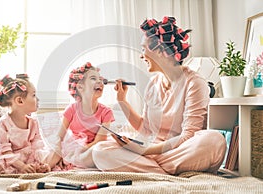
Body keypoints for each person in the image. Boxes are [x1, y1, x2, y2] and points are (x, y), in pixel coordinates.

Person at [92, 16, 227, 175]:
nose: (141, 56)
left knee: (214, 141)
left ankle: (149, 169)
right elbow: (146, 128)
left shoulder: (195, 83)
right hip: (152, 152)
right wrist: (122, 101)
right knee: (100, 150)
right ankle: (164, 172)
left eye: (144, 49)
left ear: (162, 51)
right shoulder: (153, 84)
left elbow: (188, 136)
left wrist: (144, 151)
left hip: (178, 152)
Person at [0, 74, 51, 173]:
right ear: (20, 100)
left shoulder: (33, 122)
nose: (37, 99)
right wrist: (21, 166)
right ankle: (5, 169)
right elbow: (4, 151)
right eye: (33, 95)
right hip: (7, 157)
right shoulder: (3, 123)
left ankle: (29, 168)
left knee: (53, 152)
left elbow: (37, 146)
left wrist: (39, 163)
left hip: (27, 156)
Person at [48, 62, 115, 169]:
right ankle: (46, 167)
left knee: (101, 151)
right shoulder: (72, 109)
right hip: (72, 146)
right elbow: (59, 136)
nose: (100, 82)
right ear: (80, 87)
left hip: (91, 148)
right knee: (56, 148)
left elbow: (99, 141)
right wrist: (61, 151)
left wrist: (79, 151)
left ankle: (74, 161)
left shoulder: (106, 112)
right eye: (93, 79)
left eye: (100, 79)